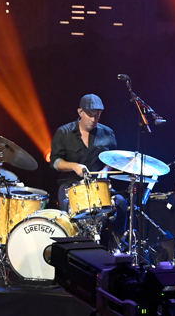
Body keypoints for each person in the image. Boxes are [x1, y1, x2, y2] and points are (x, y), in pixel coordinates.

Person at [49, 94, 127, 243]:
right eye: (90, 115)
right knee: (66, 206)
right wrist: (74, 166)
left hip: (98, 186)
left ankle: (118, 244)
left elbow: (113, 159)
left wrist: (106, 169)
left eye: (97, 116)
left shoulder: (107, 133)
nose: (93, 119)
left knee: (121, 202)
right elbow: (55, 162)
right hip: (70, 185)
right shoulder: (64, 132)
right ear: (80, 112)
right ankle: (71, 244)